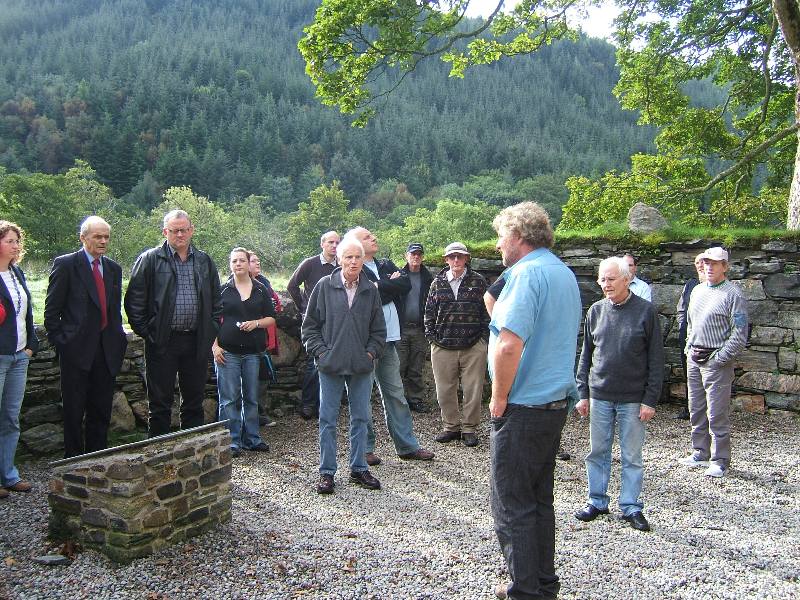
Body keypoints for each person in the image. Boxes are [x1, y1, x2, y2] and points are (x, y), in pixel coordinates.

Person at [487, 202, 581, 600]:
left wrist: (498, 397)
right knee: (539, 501)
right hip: (553, 407)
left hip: (523, 408)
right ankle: (543, 585)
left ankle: (524, 591)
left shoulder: (525, 275)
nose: (497, 245)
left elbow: (508, 345)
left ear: (518, 236)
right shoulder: (562, 272)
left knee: (511, 504)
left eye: (500, 236)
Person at [574, 257, 663, 533]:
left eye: (611, 279)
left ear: (627, 279)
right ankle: (597, 501)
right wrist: (582, 392)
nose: (605, 284)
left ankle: (631, 506)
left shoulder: (646, 312)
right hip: (600, 394)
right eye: (602, 279)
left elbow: (656, 359)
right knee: (597, 452)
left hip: (633, 398)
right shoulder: (595, 311)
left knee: (631, 456)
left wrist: (650, 399)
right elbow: (586, 355)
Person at [124, 210, 222, 437]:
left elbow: (217, 301)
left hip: (196, 340)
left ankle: (192, 450)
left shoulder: (204, 261)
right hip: (162, 341)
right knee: (159, 404)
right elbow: (134, 302)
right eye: (174, 230)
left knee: (194, 402)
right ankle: (159, 453)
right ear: (165, 232)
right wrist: (149, 333)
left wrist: (211, 330)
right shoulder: (150, 259)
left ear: (191, 230)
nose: (180, 234)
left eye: (184, 230)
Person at [301, 237, 386, 494]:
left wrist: (369, 354)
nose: (353, 262)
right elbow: (310, 327)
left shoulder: (370, 290)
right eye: (348, 257)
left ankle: (359, 468)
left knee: (361, 418)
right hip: (330, 366)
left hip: (361, 366)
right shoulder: (324, 286)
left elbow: (379, 330)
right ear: (339, 259)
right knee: (327, 419)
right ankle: (327, 472)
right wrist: (322, 353)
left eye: (357, 257)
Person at [346, 227, 434, 465]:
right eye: (367, 237)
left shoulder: (384, 264)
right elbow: (364, 295)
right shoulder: (353, 267)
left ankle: (407, 446)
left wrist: (380, 285)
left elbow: (405, 285)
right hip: (364, 343)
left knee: (396, 394)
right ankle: (364, 449)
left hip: (390, 339)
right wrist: (387, 285)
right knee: (361, 396)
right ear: (355, 244)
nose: (373, 238)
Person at [44, 216, 128, 458]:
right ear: (83, 237)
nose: (103, 241)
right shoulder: (66, 265)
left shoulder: (113, 269)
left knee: (101, 409)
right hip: (76, 350)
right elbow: (52, 311)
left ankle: (97, 459)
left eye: (106, 237)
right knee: (73, 409)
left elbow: (113, 310)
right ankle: (73, 461)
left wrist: (118, 339)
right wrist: (63, 343)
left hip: (106, 349)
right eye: (97, 236)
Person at [680, 247, 748, 478]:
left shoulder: (733, 294)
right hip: (694, 357)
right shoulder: (698, 290)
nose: (709, 267)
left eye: (715, 263)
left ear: (724, 266)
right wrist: (689, 348)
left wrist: (719, 358)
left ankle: (720, 460)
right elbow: (690, 322)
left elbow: (739, 333)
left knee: (717, 413)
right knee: (696, 408)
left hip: (715, 360)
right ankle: (700, 451)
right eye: (706, 263)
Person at [212, 248, 276, 457]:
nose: (238, 264)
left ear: (249, 264)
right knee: (229, 398)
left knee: (251, 397)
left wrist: (256, 323)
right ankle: (231, 442)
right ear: (230, 265)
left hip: (252, 352)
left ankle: (252, 438)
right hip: (227, 351)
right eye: (234, 261)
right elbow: (211, 320)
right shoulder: (222, 290)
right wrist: (214, 346)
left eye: (241, 260)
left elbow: (271, 318)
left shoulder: (261, 289)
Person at [425, 242, 489, 447]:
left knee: (473, 389)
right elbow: (429, 312)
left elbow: (487, 311)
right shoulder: (437, 283)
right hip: (442, 346)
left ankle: (469, 428)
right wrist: (432, 337)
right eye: (452, 256)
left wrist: (483, 339)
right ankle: (451, 427)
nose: (456, 260)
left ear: (466, 258)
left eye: (460, 256)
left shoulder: (478, 281)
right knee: (444, 390)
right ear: (446, 260)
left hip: (473, 345)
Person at [0, 221, 38, 497]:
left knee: (11, 418)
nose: (15, 246)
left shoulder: (17, 273)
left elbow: (27, 313)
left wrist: (30, 347)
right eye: (9, 241)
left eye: (17, 241)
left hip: (19, 356)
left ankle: (9, 475)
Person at [287, 231, 340, 420]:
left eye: (337, 242)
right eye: (331, 242)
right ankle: (309, 404)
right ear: (322, 244)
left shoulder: (341, 265)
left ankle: (328, 403)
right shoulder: (310, 263)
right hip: (315, 321)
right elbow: (292, 286)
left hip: (337, 320)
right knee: (313, 361)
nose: (334, 246)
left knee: (334, 359)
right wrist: (304, 307)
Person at [397, 242, 433, 413]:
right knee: (398, 366)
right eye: (413, 254)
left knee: (416, 367)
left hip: (419, 329)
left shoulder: (428, 278)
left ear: (422, 257)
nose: (416, 257)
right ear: (406, 256)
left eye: (419, 254)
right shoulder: (399, 275)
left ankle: (415, 400)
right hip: (401, 329)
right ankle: (397, 401)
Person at [248, 251, 280, 427]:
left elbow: (276, 305)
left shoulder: (264, 282)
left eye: (258, 260)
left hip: (264, 338)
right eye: (253, 261)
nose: (258, 263)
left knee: (263, 376)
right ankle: (246, 417)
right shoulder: (233, 285)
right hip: (247, 339)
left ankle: (259, 414)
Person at [675, 253, 706, 420]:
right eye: (697, 262)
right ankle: (690, 409)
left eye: (703, 262)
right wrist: (682, 326)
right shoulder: (690, 285)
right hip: (687, 335)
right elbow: (681, 308)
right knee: (689, 371)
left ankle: (708, 411)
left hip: (708, 338)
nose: (700, 265)